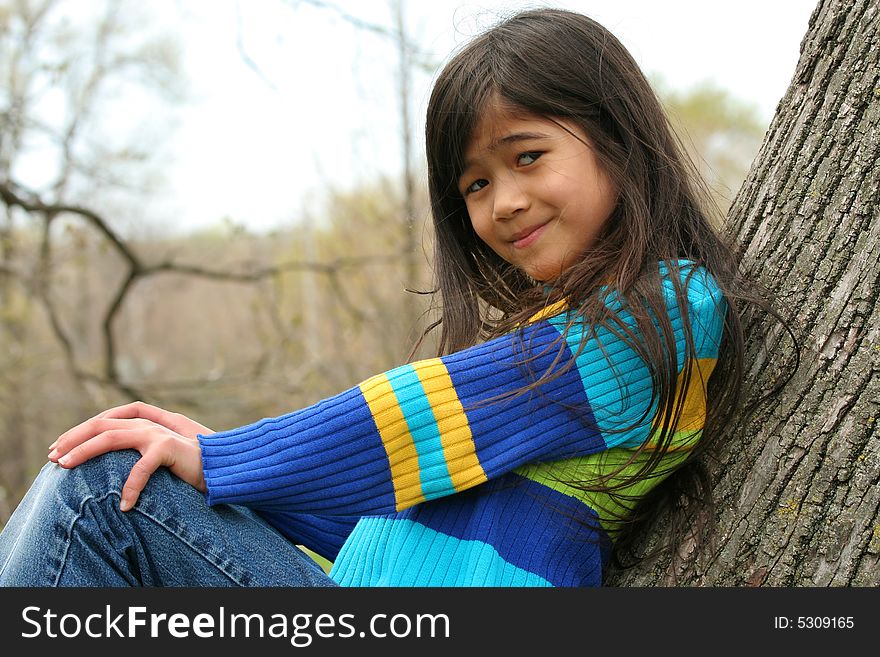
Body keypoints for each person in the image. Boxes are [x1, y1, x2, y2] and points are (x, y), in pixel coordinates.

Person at [0, 8, 770, 587]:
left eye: (527, 156)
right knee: (123, 477)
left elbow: (414, 420)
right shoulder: (557, 334)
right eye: (475, 183)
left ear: (619, 143)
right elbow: (396, 528)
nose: (502, 202)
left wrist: (226, 459)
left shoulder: (668, 310)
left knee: (100, 491)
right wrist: (219, 474)